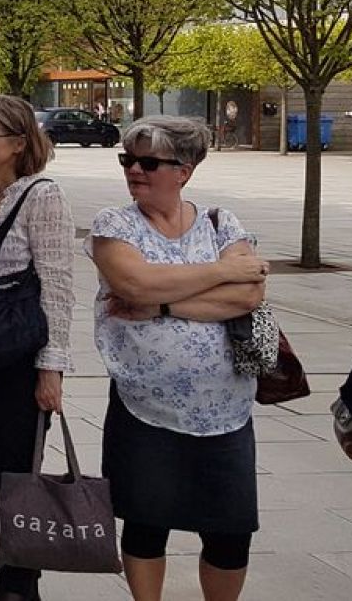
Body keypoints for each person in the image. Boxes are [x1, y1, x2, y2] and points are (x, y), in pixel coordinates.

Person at [88, 116, 268, 601]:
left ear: (183, 171)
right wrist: (220, 272)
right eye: (128, 160)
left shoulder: (220, 222)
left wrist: (162, 305)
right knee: (147, 522)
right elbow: (134, 283)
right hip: (144, 404)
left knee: (230, 531)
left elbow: (248, 295)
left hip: (226, 410)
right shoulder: (114, 224)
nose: (134, 170)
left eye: (149, 163)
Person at [0, 95, 74, 601]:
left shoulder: (43, 196)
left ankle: (19, 587)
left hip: (20, 358)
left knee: (18, 475)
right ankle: (17, 583)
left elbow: (58, 284)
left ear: (19, 143)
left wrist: (51, 368)